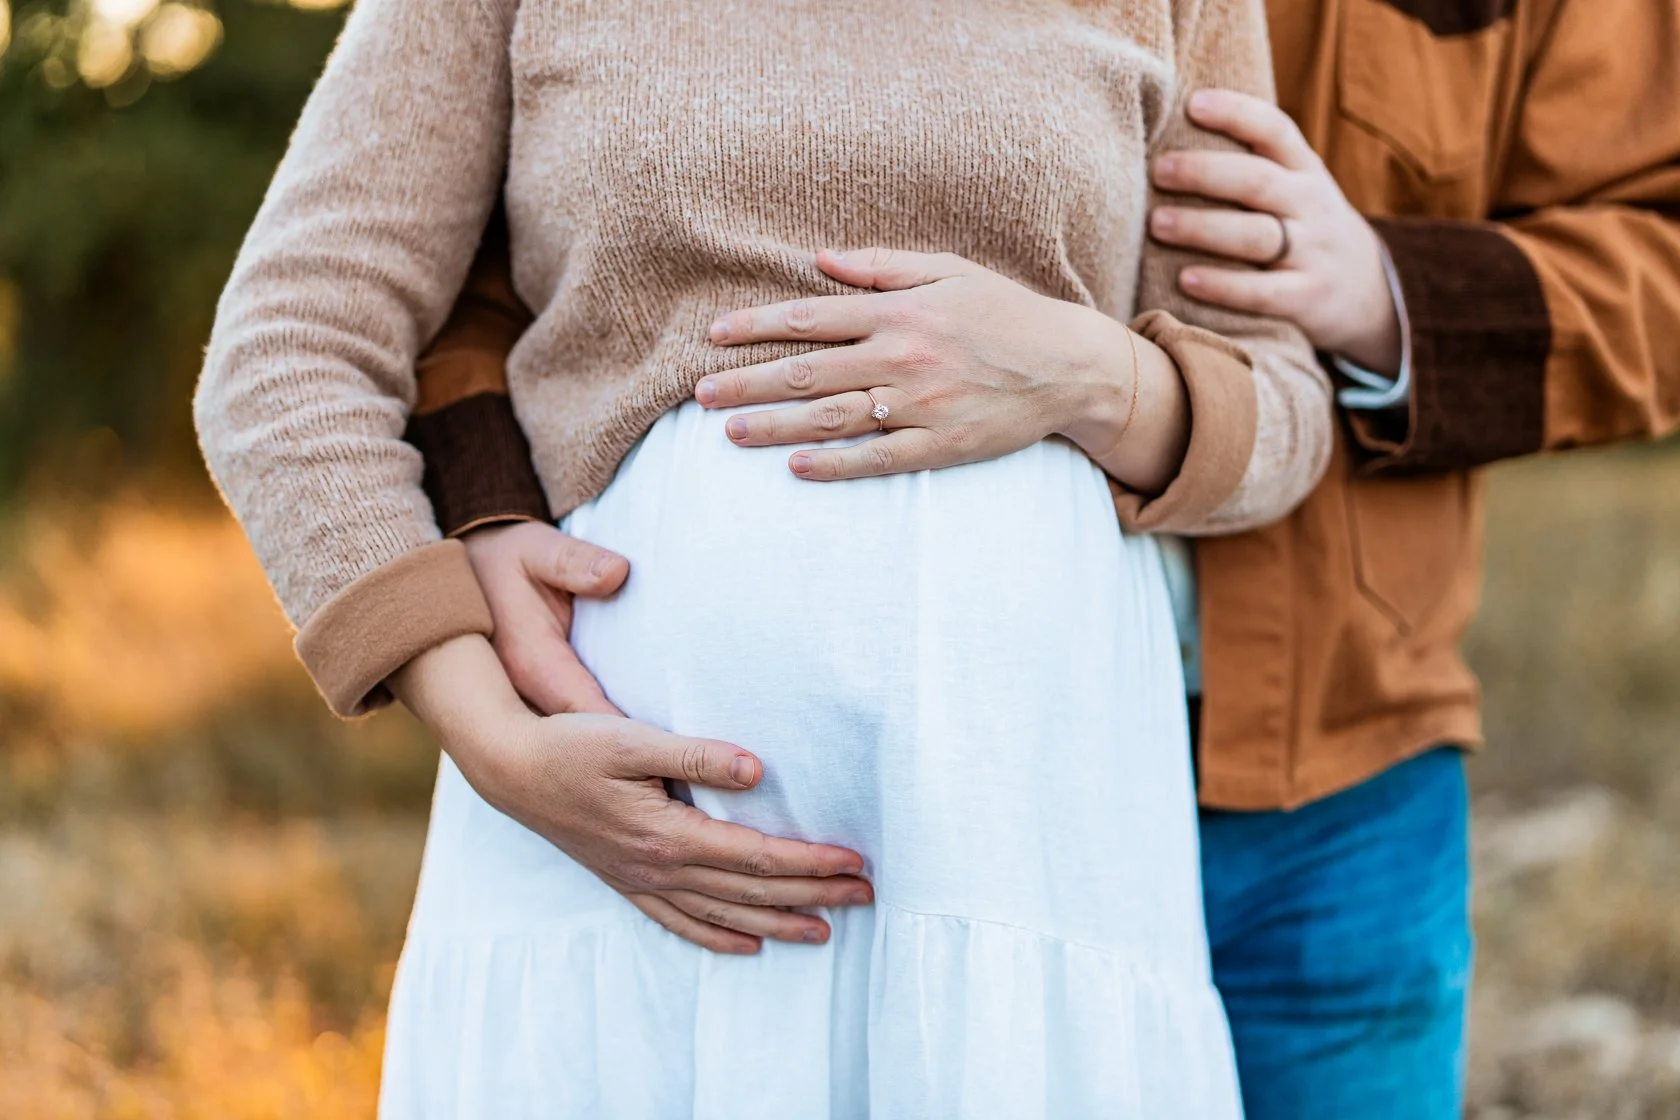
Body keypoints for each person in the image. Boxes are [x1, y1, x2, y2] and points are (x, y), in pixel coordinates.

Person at [407, 0, 1680, 1117]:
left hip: (1330, 772)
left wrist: (1385, 292)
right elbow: (446, 266)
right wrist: (487, 501)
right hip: (831, 780)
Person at [193, 0, 1338, 1114]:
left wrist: (1094, 373)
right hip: (614, 862)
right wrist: (486, 731)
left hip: (1017, 836)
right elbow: (286, 351)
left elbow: (1283, 409)